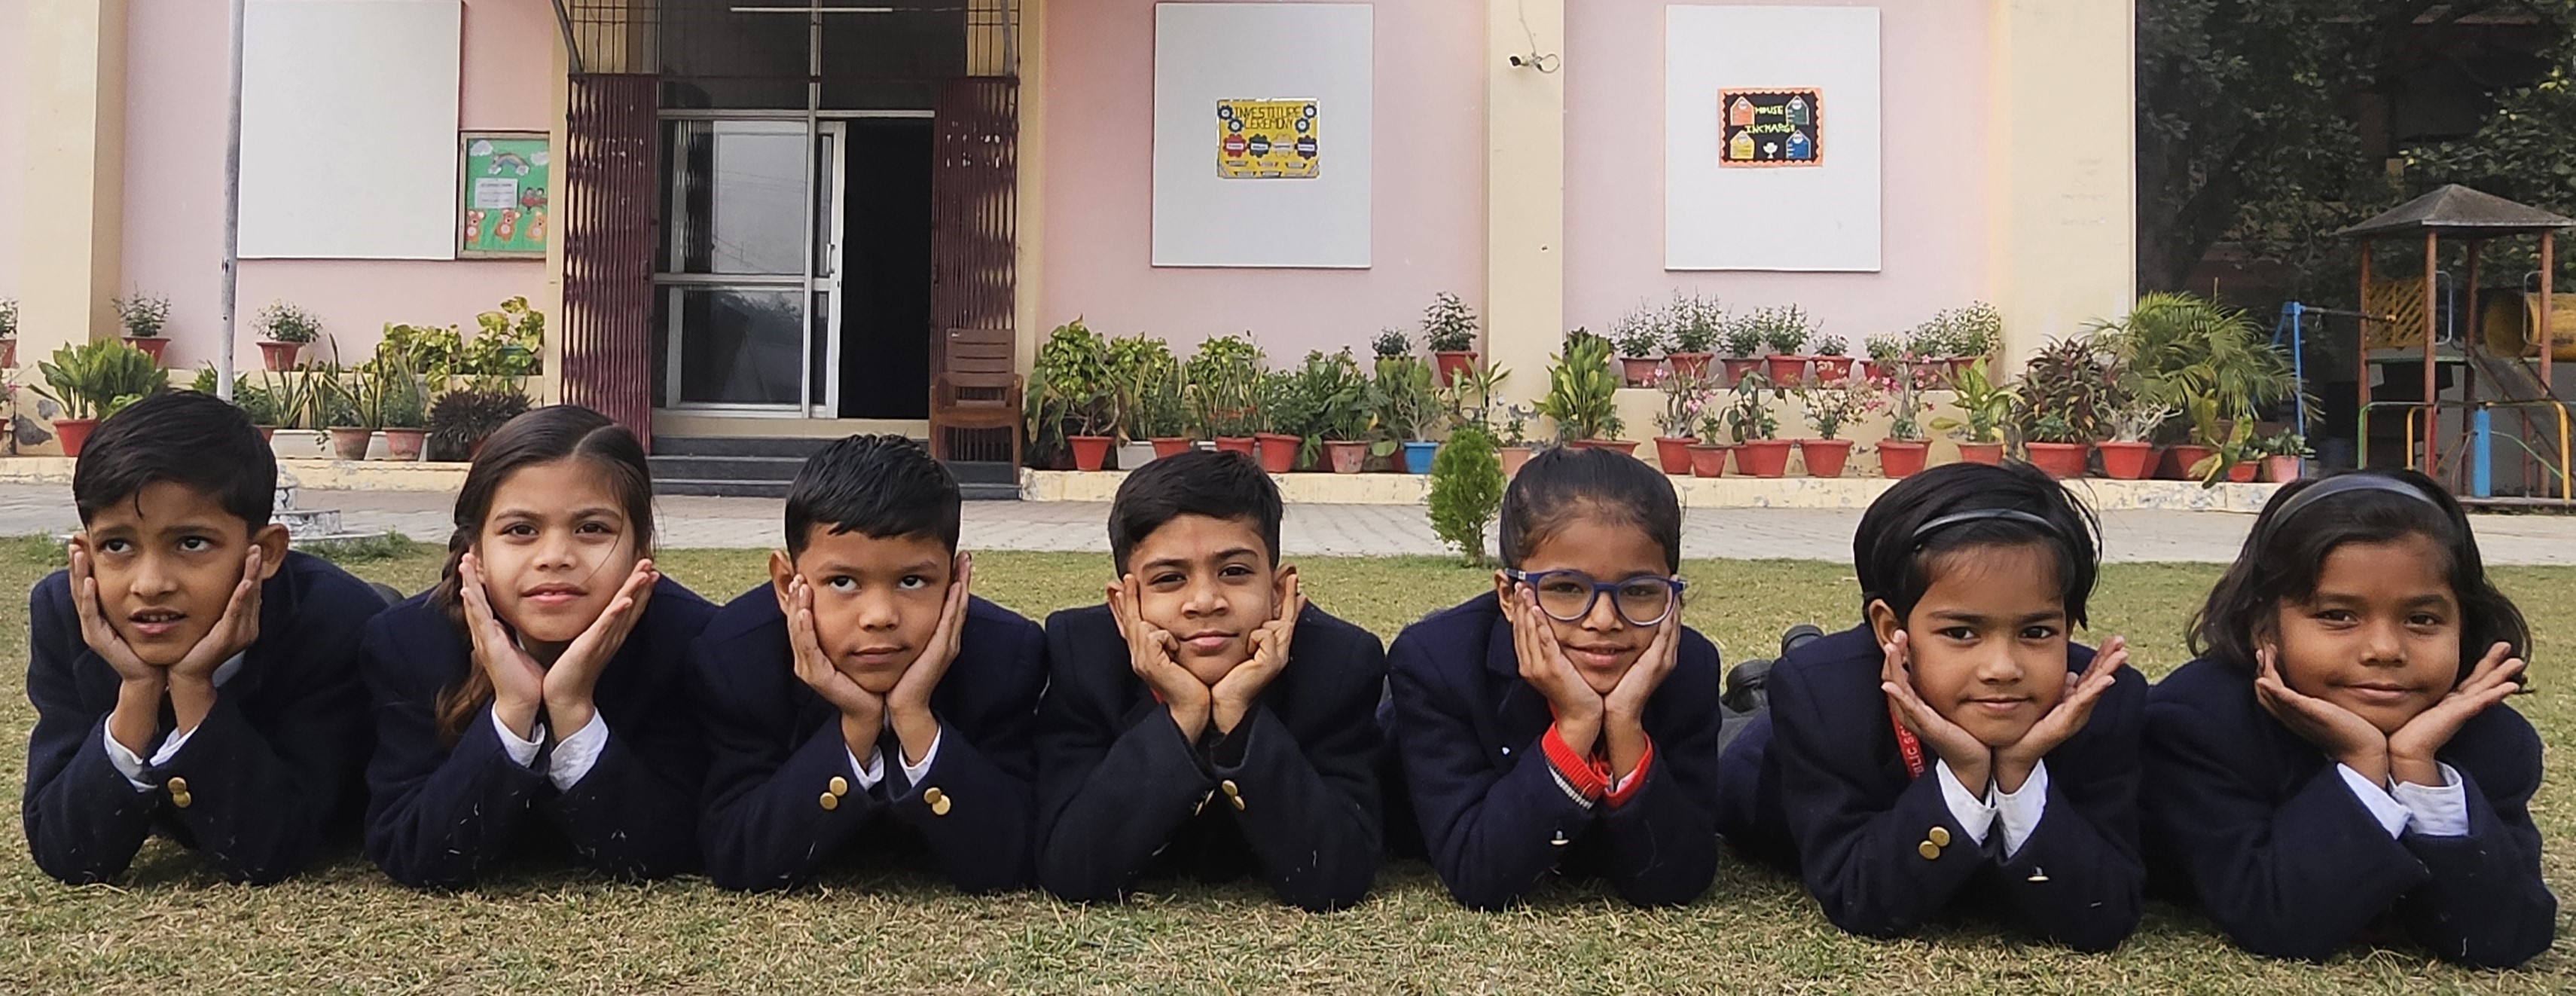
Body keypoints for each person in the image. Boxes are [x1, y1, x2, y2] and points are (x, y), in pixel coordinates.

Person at [1714, 461, 2144, 952]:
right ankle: (1758, 689)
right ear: (1890, 629)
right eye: (1961, 633)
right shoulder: (1824, 700)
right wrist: (1964, 774)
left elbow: (2105, 913)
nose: (2002, 668)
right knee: (1738, 735)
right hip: (1765, 763)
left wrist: (2019, 773)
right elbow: (1860, 898)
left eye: (2037, 632)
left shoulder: (2107, 702)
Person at [2144, 470, 2554, 967]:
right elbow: (2278, 918)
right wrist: (2362, 762)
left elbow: (2504, 937)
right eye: (2338, 616)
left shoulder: (2493, 741)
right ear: (2263, 627)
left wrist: (2415, 766)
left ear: (2463, 628)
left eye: (2422, 620)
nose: (2384, 649)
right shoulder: (2199, 722)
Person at [23, 391, 386, 884]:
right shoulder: (65, 612)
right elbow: (66, 852)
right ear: (85, 554)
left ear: (265, 552)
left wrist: (193, 685)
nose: (150, 584)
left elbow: (269, 850)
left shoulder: (336, 625)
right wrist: (138, 691)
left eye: (192, 543)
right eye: (117, 545)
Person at [362, 406, 715, 888]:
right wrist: (513, 710)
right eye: (520, 531)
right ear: (476, 553)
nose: (555, 557)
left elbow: (665, 847)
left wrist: (572, 708)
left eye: (592, 529)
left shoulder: (690, 641)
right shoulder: (409, 642)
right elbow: (414, 851)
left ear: (641, 550)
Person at [1033, 450, 1384, 912]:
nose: (1204, 601)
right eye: (1169, 579)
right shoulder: (1084, 656)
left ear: (1279, 591)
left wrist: (1238, 715)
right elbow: (1072, 868)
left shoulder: (1337, 664)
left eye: (1234, 572)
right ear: (1123, 605)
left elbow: (1337, 876)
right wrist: (1184, 714)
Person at [693, 435, 1045, 891]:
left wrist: (914, 717)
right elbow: (739, 856)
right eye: (843, 582)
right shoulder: (738, 657)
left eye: (912, 581)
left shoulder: (1004, 657)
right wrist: (857, 724)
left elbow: (1009, 859)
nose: (879, 616)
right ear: (786, 584)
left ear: (956, 580)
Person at [1382, 445, 1725, 909]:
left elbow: (1677, 879)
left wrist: (1624, 724)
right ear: (1509, 596)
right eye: (1566, 588)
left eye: (1640, 591)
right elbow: (1478, 873)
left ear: (1672, 595)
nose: (1604, 620)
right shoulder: (1437, 664)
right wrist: (1577, 724)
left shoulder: (1690, 666)